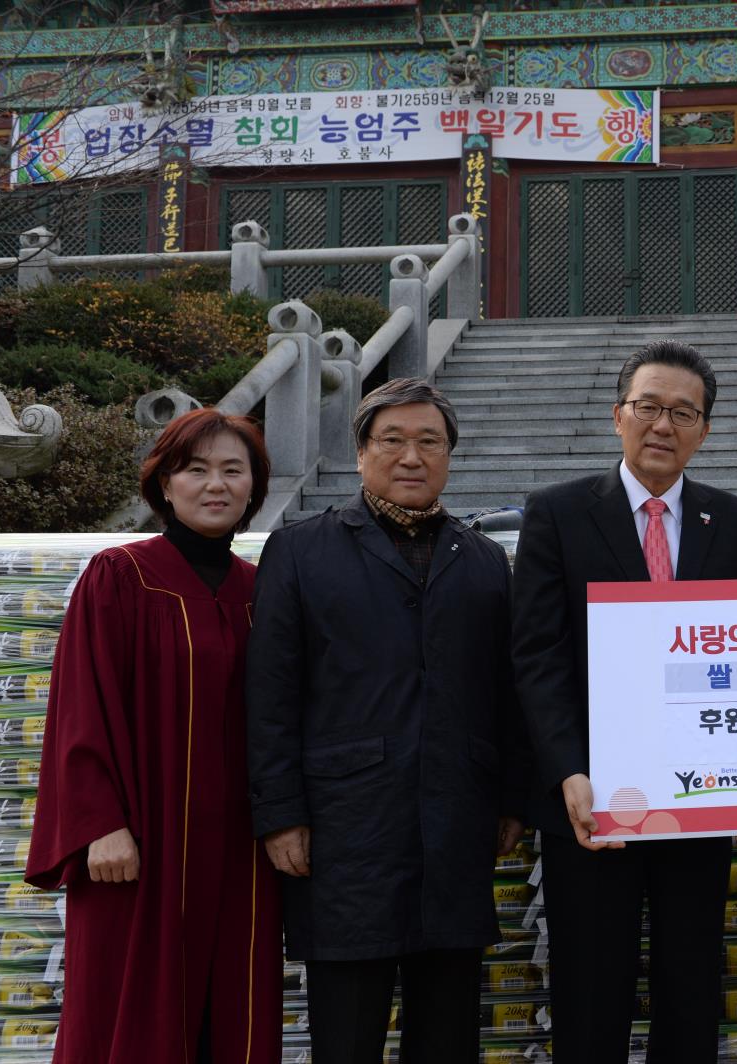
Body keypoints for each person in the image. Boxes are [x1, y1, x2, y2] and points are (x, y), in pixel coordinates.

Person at [247, 377, 528, 1064]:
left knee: (448, 1029)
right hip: (347, 828)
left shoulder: (485, 559)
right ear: (362, 453)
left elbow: (507, 690)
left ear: (449, 456)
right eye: (393, 441)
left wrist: (512, 798)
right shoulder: (301, 550)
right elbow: (271, 693)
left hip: (456, 820)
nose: (412, 457)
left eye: (429, 442)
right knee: (347, 1029)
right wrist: (280, 813)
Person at [511, 339, 737, 1063]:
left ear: (704, 430)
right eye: (649, 407)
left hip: (702, 796)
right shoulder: (559, 514)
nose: (663, 425)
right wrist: (568, 770)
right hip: (592, 798)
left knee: (690, 981)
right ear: (617, 416)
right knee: (592, 986)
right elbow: (537, 654)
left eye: (682, 412)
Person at [26, 408, 280, 1064]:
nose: (215, 484)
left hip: (243, 855)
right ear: (164, 484)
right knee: (129, 1018)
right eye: (195, 470)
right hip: (140, 848)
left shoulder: (266, 592)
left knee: (235, 1018)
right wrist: (97, 826)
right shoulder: (120, 577)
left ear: (255, 486)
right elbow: (79, 708)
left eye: (233, 469)